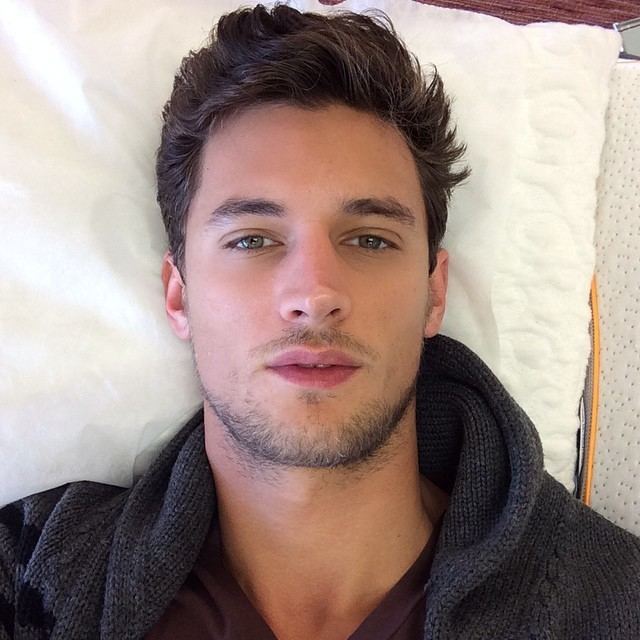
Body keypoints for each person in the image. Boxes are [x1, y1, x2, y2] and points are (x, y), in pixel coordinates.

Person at [1, 4, 639, 639]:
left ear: (433, 293)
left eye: (369, 239)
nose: (314, 295)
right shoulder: (27, 570)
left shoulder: (617, 604)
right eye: (253, 240)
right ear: (178, 295)